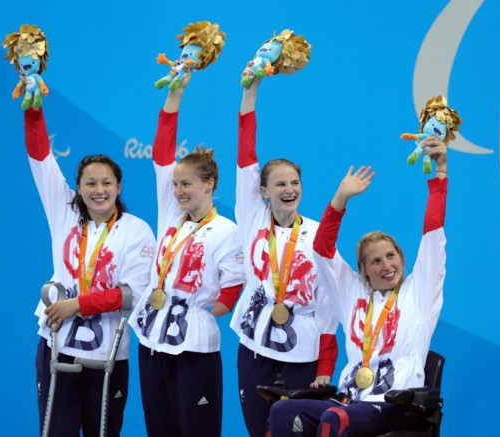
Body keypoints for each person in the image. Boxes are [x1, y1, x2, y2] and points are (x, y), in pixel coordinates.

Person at [267, 137, 450, 436]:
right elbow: (323, 248)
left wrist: (440, 171)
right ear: (363, 270)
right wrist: (340, 198)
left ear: (402, 259)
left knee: (336, 419)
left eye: (391, 256)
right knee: (284, 410)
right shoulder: (352, 292)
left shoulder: (420, 292)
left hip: (397, 407)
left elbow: (433, 233)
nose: (386, 265)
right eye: (375, 261)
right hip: (351, 401)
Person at [24, 104, 156, 437]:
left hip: (108, 353)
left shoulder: (137, 230)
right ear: (79, 188)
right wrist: (34, 106)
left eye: (107, 183)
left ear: (119, 187)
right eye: (91, 183)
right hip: (57, 344)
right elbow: (40, 158)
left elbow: (132, 295)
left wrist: (77, 305)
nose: (99, 190)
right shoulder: (63, 212)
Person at [127, 68, 246, 437]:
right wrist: (174, 96)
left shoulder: (228, 231)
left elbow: (234, 286)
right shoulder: (171, 215)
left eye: (187, 184)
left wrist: (207, 309)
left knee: (196, 430)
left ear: (209, 185)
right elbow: (161, 154)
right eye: (176, 184)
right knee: (159, 429)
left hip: (193, 346)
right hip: (150, 339)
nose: (178, 190)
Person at [229, 72, 339, 437]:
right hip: (255, 346)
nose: (289, 189)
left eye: (295, 183)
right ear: (263, 191)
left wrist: (326, 363)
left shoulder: (317, 236)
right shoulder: (252, 218)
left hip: (302, 355)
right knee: (257, 430)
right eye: (280, 183)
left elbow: (329, 305)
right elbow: (245, 157)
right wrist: (250, 92)